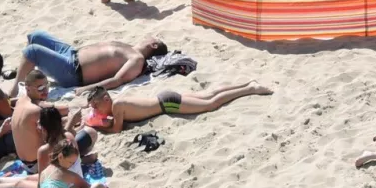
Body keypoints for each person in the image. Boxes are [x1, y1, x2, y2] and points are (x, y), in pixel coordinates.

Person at [82, 79, 272, 134]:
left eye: (95, 106)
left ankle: (250, 89)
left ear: (106, 99)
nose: (95, 111)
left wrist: (97, 125)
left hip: (167, 104)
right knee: (209, 93)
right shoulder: (119, 100)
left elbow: (117, 128)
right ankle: (245, 84)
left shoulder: (117, 107)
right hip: (164, 96)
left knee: (210, 104)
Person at [17, 33, 169, 90]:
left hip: (73, 71)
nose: (149, 35)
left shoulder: (136, 59)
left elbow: (118, 80)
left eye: (154, 38)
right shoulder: (129, 48)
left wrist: (86, 89)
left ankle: (17, 87)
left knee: (33, 51)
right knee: (35, 36)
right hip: (71, 52)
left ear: (153, 45)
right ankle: (28, 74)